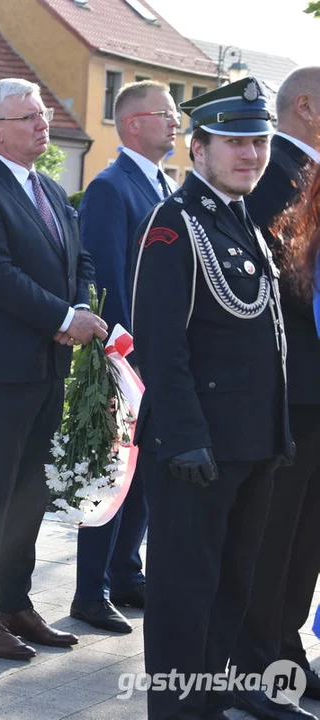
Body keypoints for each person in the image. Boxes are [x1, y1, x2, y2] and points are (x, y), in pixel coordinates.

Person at [131, 78, 295, 719]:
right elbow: (161, 346)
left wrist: (276, 435)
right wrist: (186, 436)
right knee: (183, 596)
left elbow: (268, 341)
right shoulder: (175, 226)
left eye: (257, 141)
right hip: (196, 451)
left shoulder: (242, 220)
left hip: (250, 445)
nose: (250, 154)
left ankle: (210, 703)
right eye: (235, 142)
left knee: (230, 590)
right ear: (198, 148)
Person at [0, 78, 100, 662]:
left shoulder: (48, 187)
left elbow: (80, 256)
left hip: (49, 363)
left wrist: (85, 305)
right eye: (30, 118)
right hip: (5, 367)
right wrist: (63, 316)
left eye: (43, 114)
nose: (45, 125)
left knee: (31, 489)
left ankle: (15, 600)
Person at [71, 80, 180, 634]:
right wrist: (127, 352)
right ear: (133, 123)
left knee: (145, 469)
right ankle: (90, 591)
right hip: (127, 355)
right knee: (114, 471)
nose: (177, 122)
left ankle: (124, 572)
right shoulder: (112, 187)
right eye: (166, 113)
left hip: (161, 354)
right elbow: (108, 276)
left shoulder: (163, 185)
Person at [232, 66, 320, 716]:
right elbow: (275, 286)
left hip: (311, 389)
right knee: (272, 535)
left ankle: (283, 649)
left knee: (304, 536)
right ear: (307, 108)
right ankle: (252, 663)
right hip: (288, 390)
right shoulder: (272, 173)